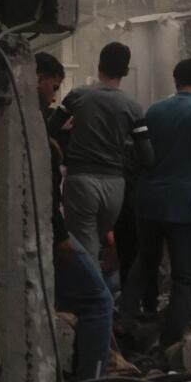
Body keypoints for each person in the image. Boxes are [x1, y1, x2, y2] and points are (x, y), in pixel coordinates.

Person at [124, 59, 191, 347]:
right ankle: (171, 341)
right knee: (184, 276)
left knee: (145, 261)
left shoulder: (155, 109)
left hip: (148, 198)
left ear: (175, 80)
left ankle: (125, 320)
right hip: (184, 202)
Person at [36, 52, 111, 382]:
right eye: (54, 84)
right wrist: (59, 233)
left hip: (47, 226)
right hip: (48, 231)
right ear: (38, 77)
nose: (55, 93)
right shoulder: (34, 124)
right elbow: (44, 194)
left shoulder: (37, 119)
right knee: (98, 300)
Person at [58, 42, 150, 277]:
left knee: (84, 248)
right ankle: (98, 302)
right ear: (126, 72)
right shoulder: (134, 108)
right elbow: (147, 156)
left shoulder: (78, 96)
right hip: (115, 186)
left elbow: (51, 127)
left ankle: (91, 306)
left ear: (98, 66)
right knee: (95, 244)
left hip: (81, 181)